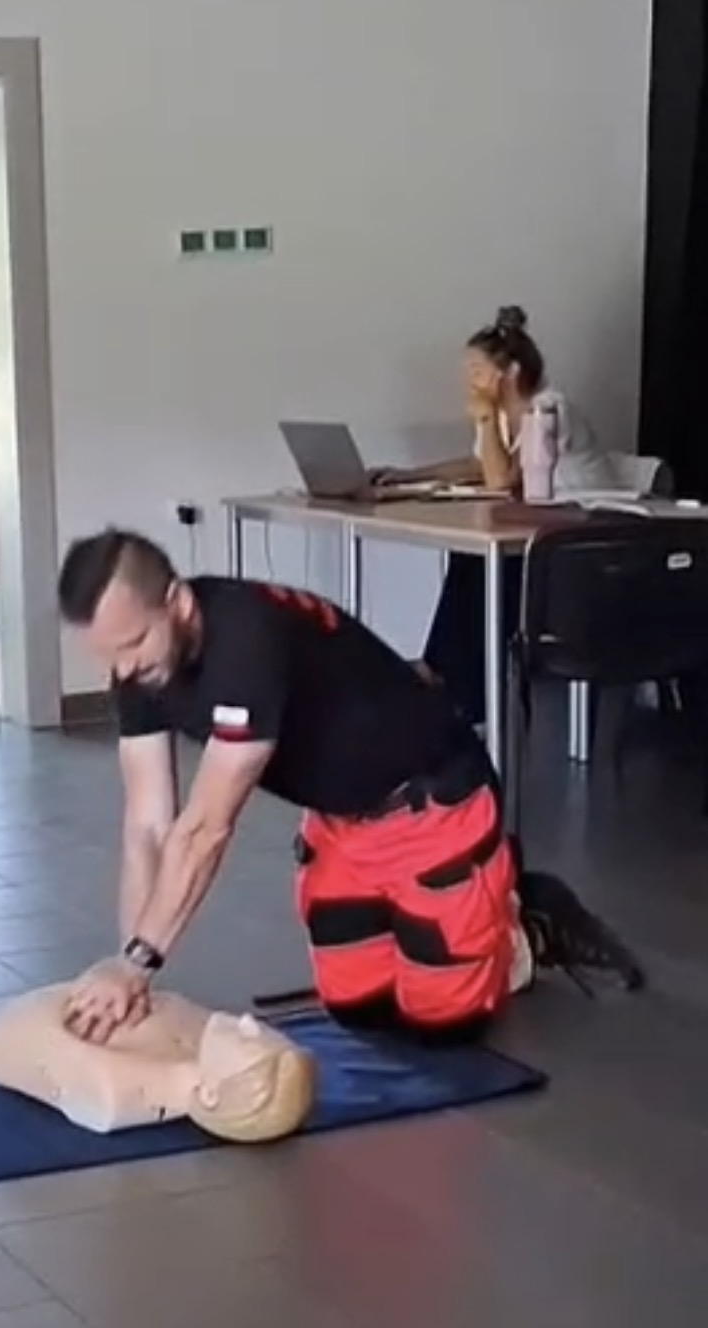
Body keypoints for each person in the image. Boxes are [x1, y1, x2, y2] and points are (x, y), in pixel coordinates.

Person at [55, 528, 642, 1045]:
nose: (123, 671)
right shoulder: (140, 671)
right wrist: (131, 965)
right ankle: (462, 922)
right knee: (363, 1011)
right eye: (110, 657)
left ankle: (525, 924)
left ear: (178, 603)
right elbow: (148, 826)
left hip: (434, 800)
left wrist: (137, 964)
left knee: (444, 1025)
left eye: (133, 645)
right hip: (343, 823)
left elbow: (204, 830)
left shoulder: (245, 643)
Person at [381, 306, 615, 724]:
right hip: (541, 534)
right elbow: (479, 466)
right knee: (469, 556)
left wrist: (486, 418)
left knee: (489, 568)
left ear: (510, 372)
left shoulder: (548, 409)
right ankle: (446, 677)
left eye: (477, 370)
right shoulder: (503, 418)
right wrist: (407, 476)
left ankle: (462, 690)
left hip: (585, 545)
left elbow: (500, 478)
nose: (468, 380)